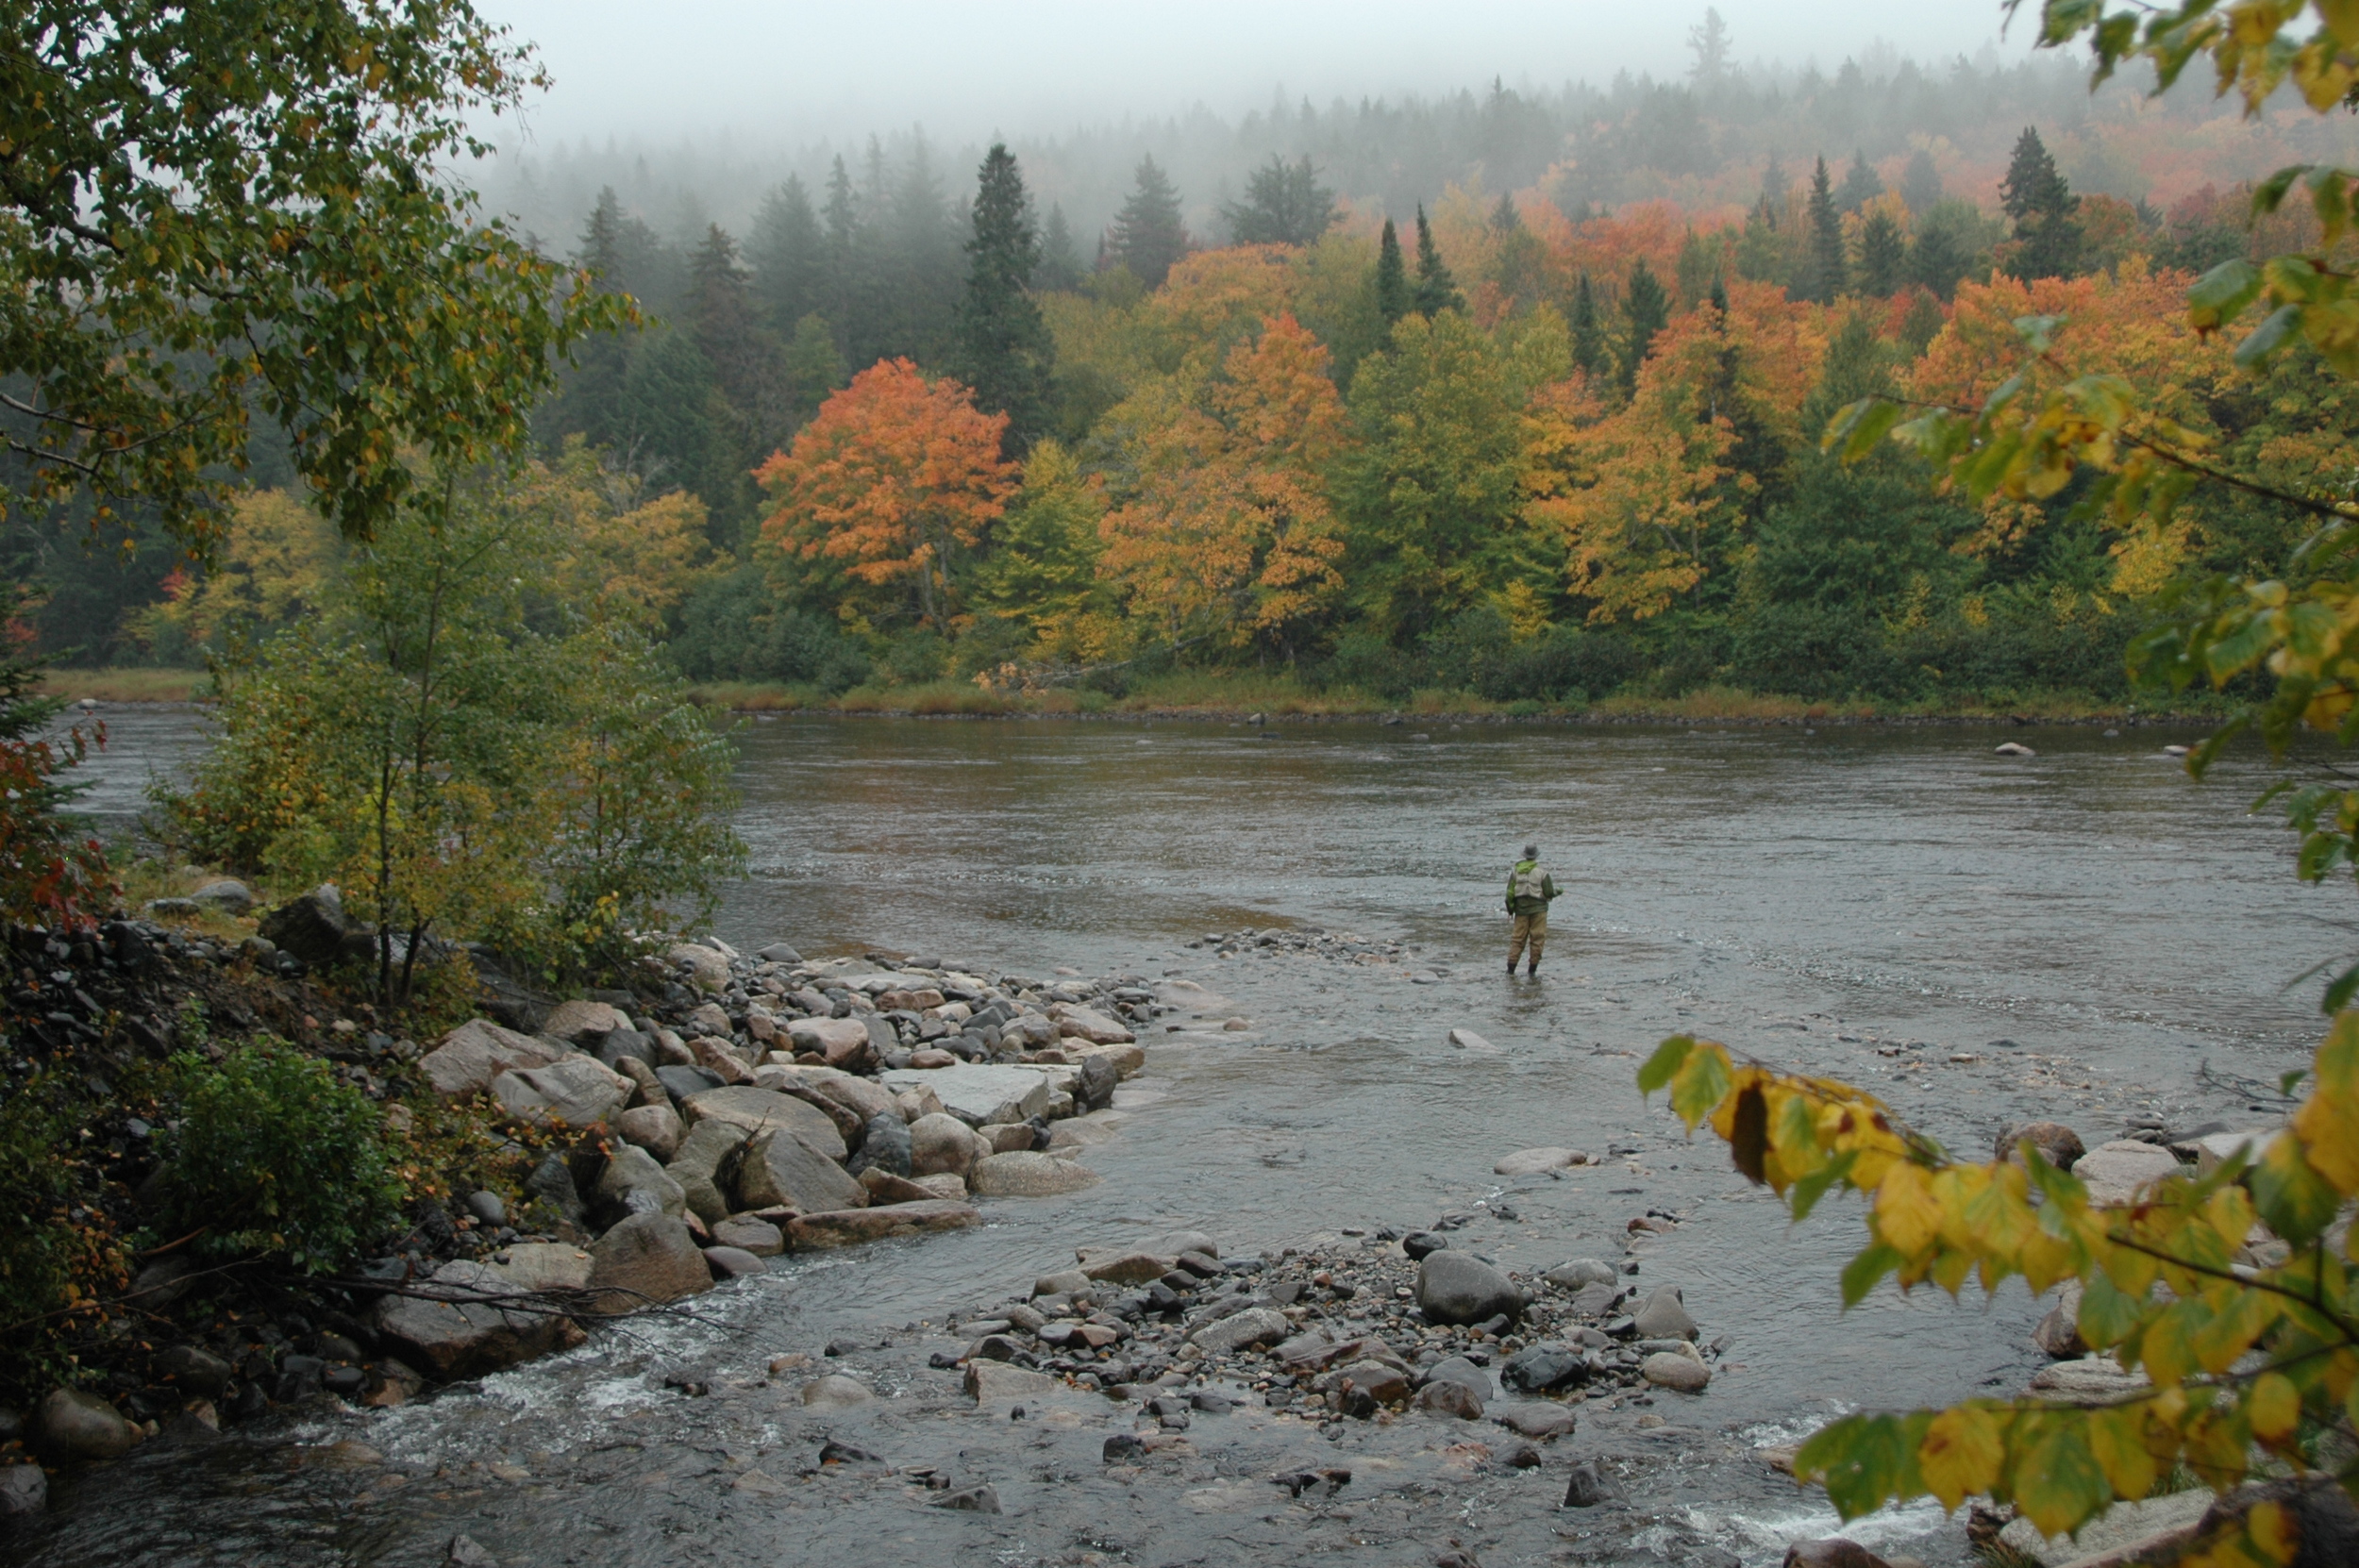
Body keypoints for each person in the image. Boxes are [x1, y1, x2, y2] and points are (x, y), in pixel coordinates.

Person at [1504, 843, 1559, 976]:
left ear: (1524, 855)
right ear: (1536, 856)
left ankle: (1510, 971)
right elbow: (1549, 892)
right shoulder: (1542, 873)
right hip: (1539, 911)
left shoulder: (1515, 871)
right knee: (1537, 939)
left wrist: (1511, 910)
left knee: (1517, 940)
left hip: (1521, 911)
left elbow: (1509, 895)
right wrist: (1559, 891)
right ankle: (1532, 972)